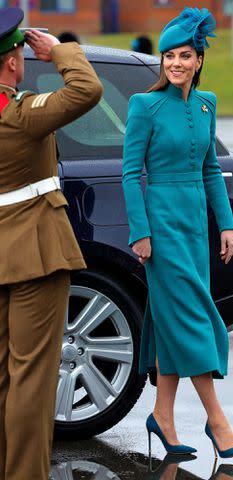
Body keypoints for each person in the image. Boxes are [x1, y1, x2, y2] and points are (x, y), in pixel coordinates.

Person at [123, 7, 233, 459]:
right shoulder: (144, 105)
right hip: (161, 223)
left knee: (171, 319)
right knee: (193, 317)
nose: (176, 63)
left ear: (198, 61)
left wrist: (227, 225)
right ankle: (218, 420)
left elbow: (211, 168)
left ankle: (164, 416)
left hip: (195, 223)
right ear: (162, 61)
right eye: (169, 55)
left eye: (185, 55)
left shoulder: (207, 103)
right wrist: (140, 231)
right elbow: (129, 172)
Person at [0, 7, 102, 480]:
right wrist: (61, 50)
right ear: (13, 60)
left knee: (4, 378)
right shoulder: (20, 114)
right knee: (32, 381)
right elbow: (86, 89)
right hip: (34, 254)